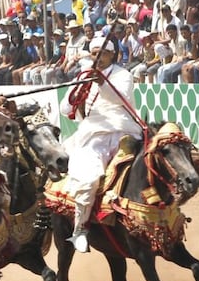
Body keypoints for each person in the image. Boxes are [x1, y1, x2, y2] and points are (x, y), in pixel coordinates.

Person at [59, 37, 143, 253]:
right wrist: (76, 92)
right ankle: (80, 229)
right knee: (89, 179)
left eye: (103, 53)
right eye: (94, 52)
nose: (98, 57)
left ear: (112, 55)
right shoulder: (84, 74)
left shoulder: (122, 75)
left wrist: (100, 82)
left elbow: (120, 98)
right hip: (93, 133)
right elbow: (65, 108)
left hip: (124, 130)